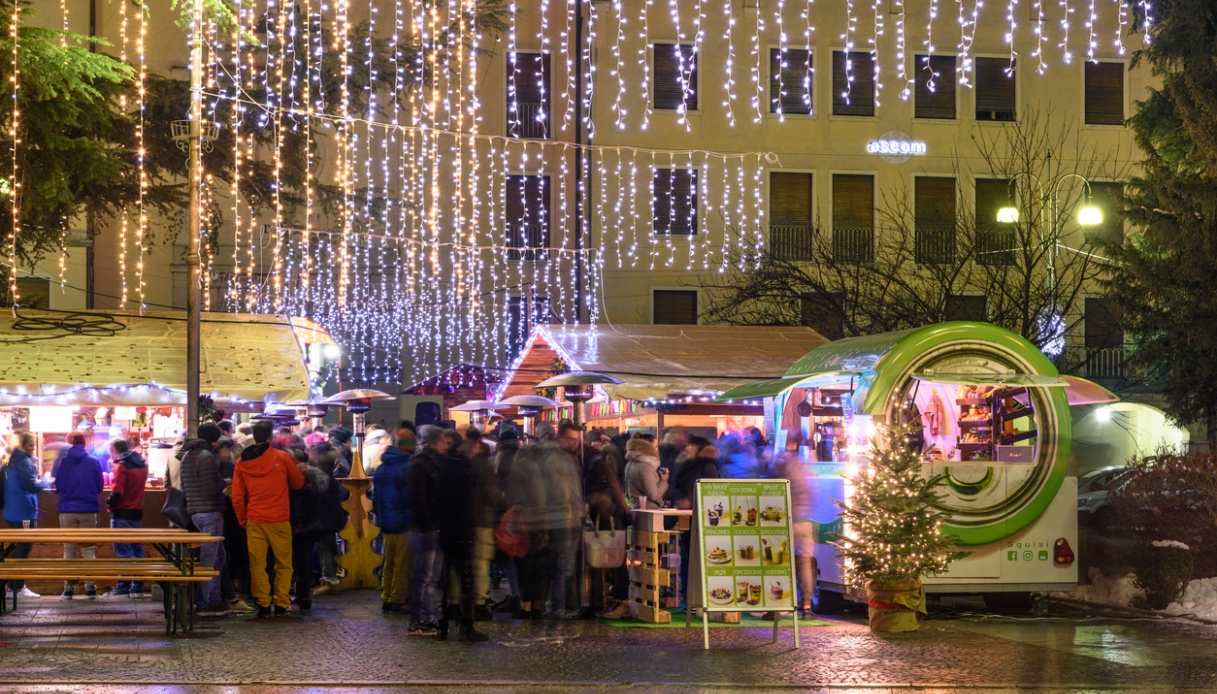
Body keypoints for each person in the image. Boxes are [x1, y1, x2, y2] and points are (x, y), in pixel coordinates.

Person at [232, 419, 305, 617]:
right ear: (271, 437)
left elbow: (237, 496)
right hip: (279, 518)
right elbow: (298, 483)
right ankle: (281, 602)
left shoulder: (241, 462)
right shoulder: (281, 458)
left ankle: (263, 603)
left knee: (257, 563)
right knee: (283, 563)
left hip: (254, 518)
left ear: (254, 436)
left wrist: (242, 519)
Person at [435, 431, 489, 641]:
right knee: (466, 579)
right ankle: (467, 627)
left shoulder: (443, 466)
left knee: (446, 579)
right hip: (463, 529)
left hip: (446, 529)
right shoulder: (466, 468)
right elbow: (471, 500)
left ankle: (442, 625)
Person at [180, 422, 228, 615]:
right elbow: (210, 488)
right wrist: (224, 483)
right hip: (209, 511)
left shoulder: (186, 455)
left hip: (195, 510)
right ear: (213, 439)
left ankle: (212, 598)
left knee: (218, 556)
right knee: (211, 558)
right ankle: (207, 602)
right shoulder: (206, 457)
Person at [290, 446, 345, 611]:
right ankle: (323, 584)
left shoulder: (303, 480)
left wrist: (298, 522)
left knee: (303, 562)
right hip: (325, 522)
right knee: (324, 552)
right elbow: (341, 496)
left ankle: (304, 596)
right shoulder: (327, 477)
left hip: (309, 525)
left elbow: (302, 505)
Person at [405, 425, 448, 635]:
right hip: (425, 528)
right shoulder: (423, 464)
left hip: (425, 526)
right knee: (425, 575)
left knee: (426, 576)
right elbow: (420, 498)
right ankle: (421, 619)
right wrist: (430, 522)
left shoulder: (424, 463)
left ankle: (426, 616)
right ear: (434, 441)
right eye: (442, 441)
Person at [54, 431, 103, 599]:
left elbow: (58, 486)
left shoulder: (62, 462)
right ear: (84, 443)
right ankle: (90, 587)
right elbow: (99, 487)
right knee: (88, 549)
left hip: (67, 510)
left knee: (69, 549)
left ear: (69, 443)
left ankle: (69, 588)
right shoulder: (94, 462)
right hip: (88, 510)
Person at [372, 429, 414, 613]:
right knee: (402, 563)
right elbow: (410, 498)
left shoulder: (383, 467)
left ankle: (386, 596)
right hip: (404, 521)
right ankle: (397, 598)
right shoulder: (407, 467)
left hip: (386, 521)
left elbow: (376, 498)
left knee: (389, 561)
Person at [3, 432, 49, 601]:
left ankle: (10, 583)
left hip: (12, 510)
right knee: (24, 546)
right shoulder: (24, 462)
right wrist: (45, 480)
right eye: (30, 445)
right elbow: (31, 486)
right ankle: (15, 586)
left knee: (18, 546)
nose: (33, 449)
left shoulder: (11, 460)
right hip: (24, 512)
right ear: (23, 446)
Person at [548, 422, 587, 618]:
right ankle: (558, 607)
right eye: (571, 439)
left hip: (568, 516)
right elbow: (561, 491)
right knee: (563, 565)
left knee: (564, 565)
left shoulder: (568, 458)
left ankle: (560, 606)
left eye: (577, 440)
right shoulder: (558, 459)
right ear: (561, 437)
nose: (574, 444)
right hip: (563, 517)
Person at [108, 439, 148, 597]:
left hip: (122, 513)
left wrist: (110, 504)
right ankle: (137, 586)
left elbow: (118, 492)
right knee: (137, 549)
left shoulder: (121, 466)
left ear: (115, 450)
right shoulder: (142, 465)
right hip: (137, 512)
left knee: (123, 551)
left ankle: (123, 586)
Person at [624, 437, 668, 509]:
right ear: (647, 449)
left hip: (635, 507)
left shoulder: (630, 464)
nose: (656, 450)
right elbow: (653, 495)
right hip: (649, 510)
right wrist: (664, 481)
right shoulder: (645, 467)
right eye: (655, 447)